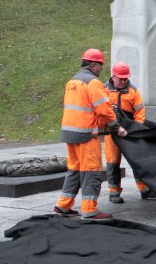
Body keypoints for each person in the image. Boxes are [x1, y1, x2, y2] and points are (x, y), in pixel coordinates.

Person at [54, 49, 126, 221]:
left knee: (74, 170)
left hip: (70, 133)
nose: (101, 69)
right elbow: (103, 109)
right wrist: (117, 127)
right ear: (94, 65)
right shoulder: (93, 82)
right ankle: (90, 210)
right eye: (100, 65)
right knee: (91, 171)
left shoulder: (72, 81)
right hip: (86, 135)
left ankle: (63, 206)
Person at [103, 62, 154, 203]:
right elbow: (101, 111)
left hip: (130, 133)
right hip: (111, 133)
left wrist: (135, 130)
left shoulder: (133, 91)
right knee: (112, 162)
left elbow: (140, 113)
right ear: (113, 76)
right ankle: (114, 193)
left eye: (126, 78)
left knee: (136, 161)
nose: (124, 81)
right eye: (121, 78)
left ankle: (144, 189)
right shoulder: (103, 90)